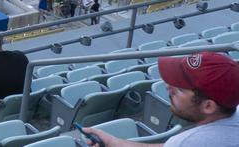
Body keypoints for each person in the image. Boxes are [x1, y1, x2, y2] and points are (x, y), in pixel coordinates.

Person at [83, 52, 239, 147]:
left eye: (180, 89)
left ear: (208, 106)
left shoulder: (188, 142)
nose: (168, 87)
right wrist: (114, 143)